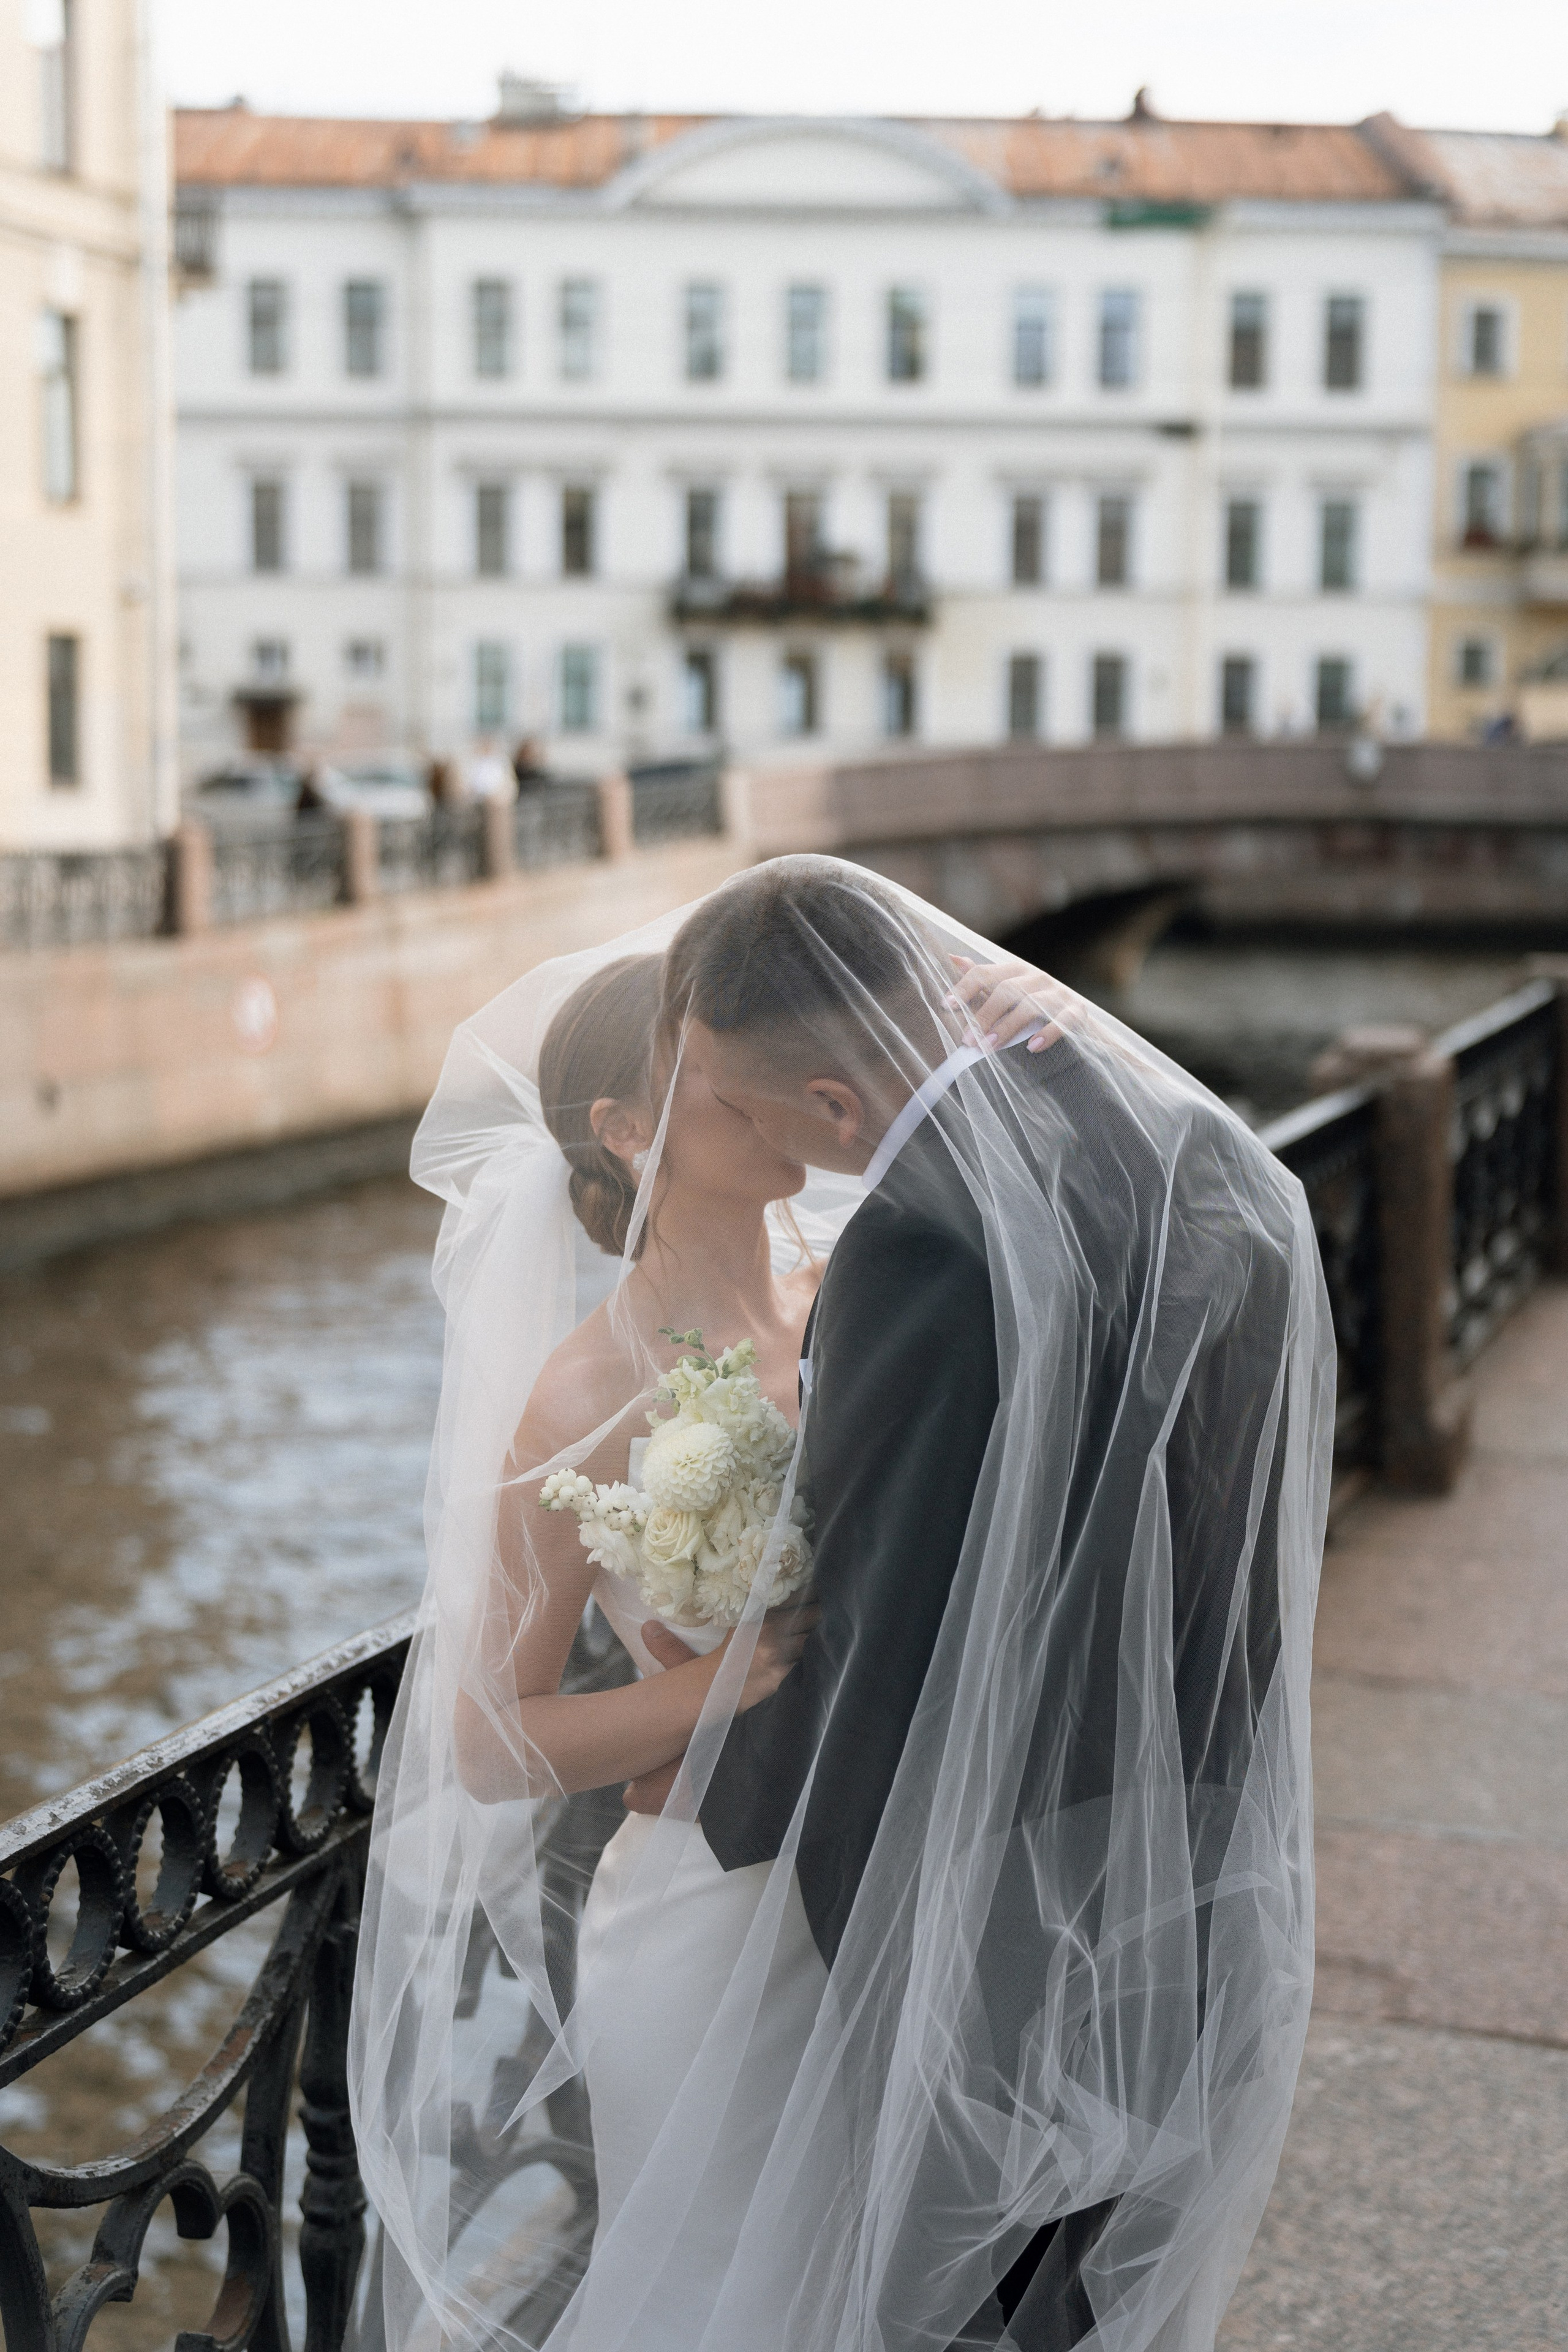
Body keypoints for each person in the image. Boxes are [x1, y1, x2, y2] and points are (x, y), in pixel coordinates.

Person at [349, 861, 1332, 2352]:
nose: (752, 1122)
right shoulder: (591, 1383)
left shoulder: (840, 1286)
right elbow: (488, 1734)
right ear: (629, 1128)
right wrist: (728, 1684)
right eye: (700, 1089)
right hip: (723, 1880)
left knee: (855, 2293)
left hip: (873, 1878)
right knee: (731, 2283)